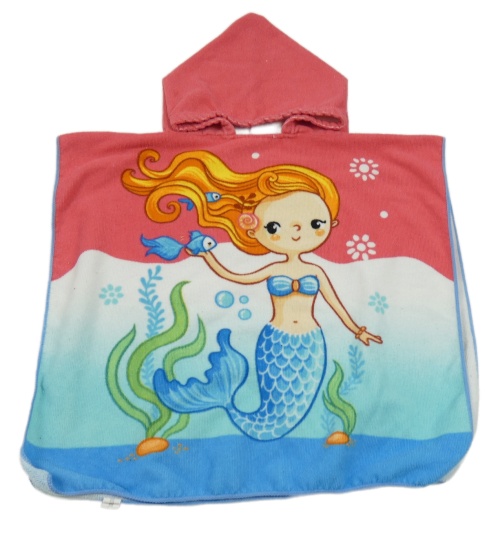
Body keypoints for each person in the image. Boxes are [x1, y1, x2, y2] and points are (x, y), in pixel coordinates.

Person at [122, 150, 382, 441]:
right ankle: (234, 411)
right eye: (274, 227)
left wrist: (358, 330)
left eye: (314, 224)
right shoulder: (273, 269)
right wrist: (208, 256)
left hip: (310, 343)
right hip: (276, 342)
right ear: (254, 231)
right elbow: (236, 277)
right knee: (274, 401)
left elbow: (335, 304)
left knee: (299, 397)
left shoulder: (316, 272)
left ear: (331, 223)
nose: (298, 231)